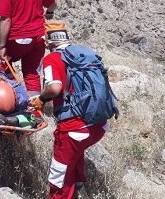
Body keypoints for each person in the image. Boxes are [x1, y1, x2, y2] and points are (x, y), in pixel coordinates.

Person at [29, 22, 109, 199]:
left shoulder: (52, 59)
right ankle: (79, 185)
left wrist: (40, 99)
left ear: (48, 41)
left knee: (59, 173)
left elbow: (55, 88)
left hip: (74, 126)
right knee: (77, 153)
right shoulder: (85, 53)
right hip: (99, 123)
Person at [0, 0, 57, 96]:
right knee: (32, 73)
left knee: (4, 65)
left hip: (18, 39)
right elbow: (53, 4)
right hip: (39, 38)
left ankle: (13, 97)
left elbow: (5, 20)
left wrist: (2, 46)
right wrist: (50, 12)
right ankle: (35, 109)